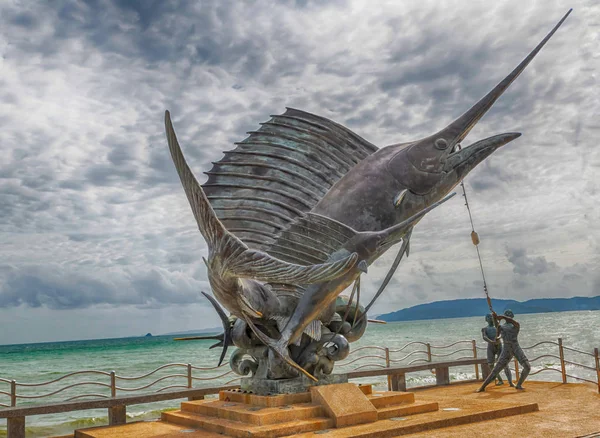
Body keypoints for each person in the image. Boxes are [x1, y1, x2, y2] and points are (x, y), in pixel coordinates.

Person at [476, 309, 531, 392]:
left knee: (527, 367)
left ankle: (519, 384)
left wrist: (502, 317)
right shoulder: (501, 327)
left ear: (512, 316)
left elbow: (511, 322)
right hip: (506, 349)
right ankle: (483, 386)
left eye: (509, 314)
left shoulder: (516, 325)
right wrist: (495, 318)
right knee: (496, 370)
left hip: (516, 347)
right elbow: (497, 332)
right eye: (507, 314)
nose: (508, 315)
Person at [481, 313, 514, 386]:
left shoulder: (498, 327)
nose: (490, 318)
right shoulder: (485, 329)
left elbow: (502, 334)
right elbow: (484, 337)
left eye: (491, 317)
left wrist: (498, 338)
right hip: (490, 347)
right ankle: (499, 379)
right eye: (488, 317)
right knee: (490, 364)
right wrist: (491, 341)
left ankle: (510, 382)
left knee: (505, 364)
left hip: (499, 346)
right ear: (486, 319)